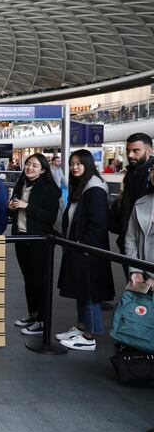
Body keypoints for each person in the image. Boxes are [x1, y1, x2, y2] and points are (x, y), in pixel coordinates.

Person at [56, 149, 114, 351]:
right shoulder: (81, 187)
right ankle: (81, 328)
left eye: (79, 163)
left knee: (90, 292)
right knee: (82, 289)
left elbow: (97, 225)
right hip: (78, 247)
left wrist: (83, 247)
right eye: (72, 163)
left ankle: (89, 336)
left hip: (89, 251)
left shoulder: (95, 189)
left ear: (88, 164)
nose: (75, 167)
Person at [7, 154, 61, 336]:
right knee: (28, 278)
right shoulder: (21, 183)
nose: (30, 168)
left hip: (39, 240)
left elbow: (49, 217)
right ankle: (33, 314)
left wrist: (26, 205)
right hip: (21, 237)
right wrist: (12, 207)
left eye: (35, 166)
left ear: (43, 169)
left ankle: (42, 320)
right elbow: (16, 207)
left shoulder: (50, 188)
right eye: (28, 164)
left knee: (40, 280)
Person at [111, 133, 154, 277]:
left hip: (148, 243)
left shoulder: (149, 175)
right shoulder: (131, 173)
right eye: (128, 150)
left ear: (150, 150)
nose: (130, 155)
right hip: (129, 240)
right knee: (135, 287)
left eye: (136, 151)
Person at [125, 166, 154, 290]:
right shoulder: (141, 202)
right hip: (143, 276)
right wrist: (135, 270)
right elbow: (130, 240)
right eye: (153, 169)